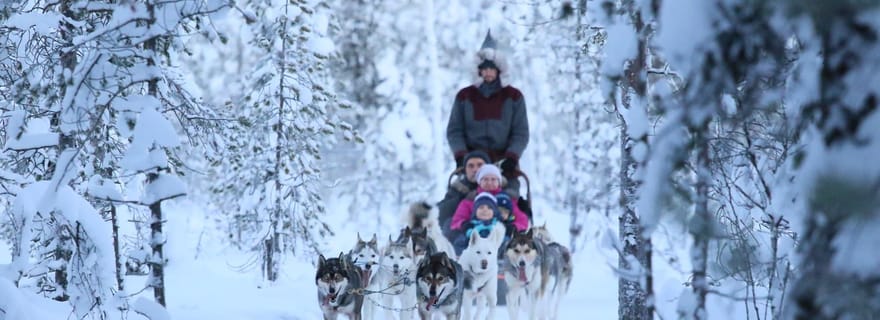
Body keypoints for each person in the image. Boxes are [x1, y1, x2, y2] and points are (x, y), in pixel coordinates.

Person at [446, 30, 529, 180]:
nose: (488, 72)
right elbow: (455, 131)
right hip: (472, 165)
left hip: (504, 166)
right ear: (478, 70)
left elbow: (520, 133)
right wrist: (461, 156)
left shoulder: (514, 97)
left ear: (499, 70)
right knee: (455, 201)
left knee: (510, 201)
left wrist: (512, 157)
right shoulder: (464, 97)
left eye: (491, 68)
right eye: (484, 69)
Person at [449, 165, 529, 236]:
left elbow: (522, 221)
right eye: (485, 179)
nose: (489, 182)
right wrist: (464, 225)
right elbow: (456, 221)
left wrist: (512, 228)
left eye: (493, 179)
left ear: (499, 182)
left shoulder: (507, 200)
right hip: (474, 237)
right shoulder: (470, 200)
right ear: (480, 182)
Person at [438, 150, 490, 240]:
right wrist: (461, 199)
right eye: (471, 166)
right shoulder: (458, 188)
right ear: (465, 170)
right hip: (464, 231)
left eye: (480, 165)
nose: (475, 169)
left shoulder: (499, 186)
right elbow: (442, 213)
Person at [450, 192, 503, 256]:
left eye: (489, 208)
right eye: (481, 207)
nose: (485, 210)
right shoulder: (469, 228)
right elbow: (459, 245)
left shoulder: (499, 228)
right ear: (475, 211)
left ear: (494, 212)